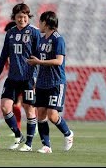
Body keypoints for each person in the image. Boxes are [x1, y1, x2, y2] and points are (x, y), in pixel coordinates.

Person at [0, 3, 40, 151]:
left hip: (28, 78)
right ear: (14, 18)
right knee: (6, 107)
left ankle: (29, 144)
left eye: (24, 17)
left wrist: (35, 78)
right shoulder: (10, 33)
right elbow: (3, 55)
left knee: (29, 109)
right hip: (12, 78)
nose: (22, 19)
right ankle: (19, 136)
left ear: (28, 17)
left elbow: (38, 57)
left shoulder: (35, 32)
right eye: (19, 17)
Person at [27, 11, 74, 153]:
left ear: (46, 23)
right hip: (42, 83)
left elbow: (59, 61)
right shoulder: (42, 39)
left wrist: (39, 61)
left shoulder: (58, 39)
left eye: (40, 22)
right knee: (40, 113)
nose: (39, 25)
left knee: (52, 115)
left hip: (56, 82)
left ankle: (68, 134)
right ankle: (46, 146)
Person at [4, 21, 22, 134]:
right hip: (13, 79)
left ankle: (30, 126)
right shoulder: (10, 46)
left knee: (23, 104)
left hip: (25, 79)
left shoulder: (23, 45)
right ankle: (18, 128)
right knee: (16, 105)